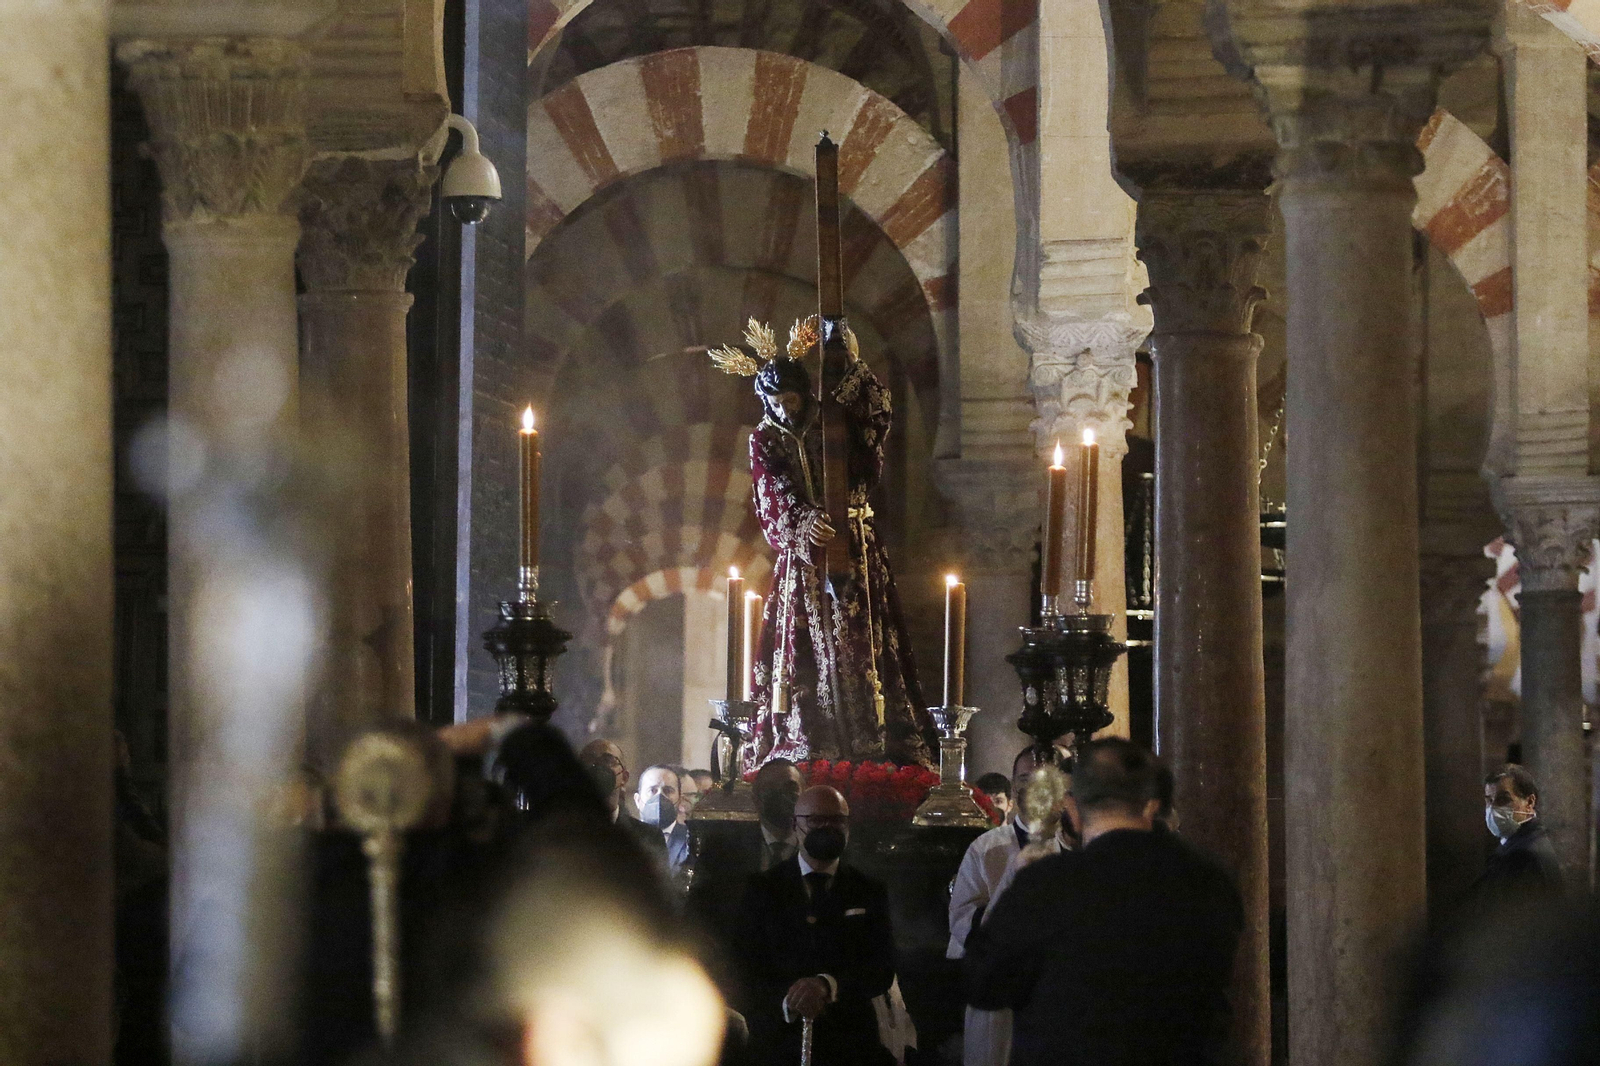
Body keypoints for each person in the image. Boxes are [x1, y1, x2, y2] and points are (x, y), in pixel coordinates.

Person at [713, 322, 932, 766]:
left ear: (804, 393)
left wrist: (849, 359)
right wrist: (802, 521)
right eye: (774, 403)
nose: (783, 411)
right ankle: (809, 735)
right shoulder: (765, 438)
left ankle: (876, 734)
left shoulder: (835, 420)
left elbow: (876, 420)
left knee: (865, 636)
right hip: (803, 560)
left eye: (789, 400)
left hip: (856, 546)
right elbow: (769, 491)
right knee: (803, 648)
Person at [964, 739, 1243, 1066]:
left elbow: (983, 984)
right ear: (1152, 806)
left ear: (1074, 809)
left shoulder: (1049, 883)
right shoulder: (1210, 878)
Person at [735, 786, 896, 1066]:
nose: (827, 828)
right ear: (796, 825)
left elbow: (881, 965)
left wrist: (827, 985)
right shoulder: (762, 889)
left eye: (836, 821)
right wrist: (790, 1000)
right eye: (816, 821)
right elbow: (745, 964)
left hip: (850, 1043)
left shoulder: (868, 890)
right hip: (777, 1041)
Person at [947, 749, 1050, 1066]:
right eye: (1023, 777)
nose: (1031, 785)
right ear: (1014, 784)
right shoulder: (986, 848)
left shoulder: (1074, 843)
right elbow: (963, 920)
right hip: (1000, 994)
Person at [1472, 764, 1563, 902]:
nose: (1492, 808)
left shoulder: (1524, 855)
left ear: (1529, 802)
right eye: (1489, 800)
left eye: (1503, 799)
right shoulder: (1517, 843)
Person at [579, 739, 665, 858]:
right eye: (589, 760)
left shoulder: (649, 837)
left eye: (608, 761)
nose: (598, 767)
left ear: (624, 777)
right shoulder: (560, 834)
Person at [636, 764, 690, 874]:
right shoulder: (622, 837)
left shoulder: (691, 840)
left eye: (668, 790)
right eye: (652, 790)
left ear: (679, 799)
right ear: (638, 800)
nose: (660, 796)